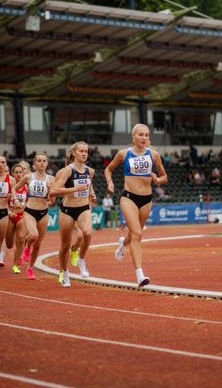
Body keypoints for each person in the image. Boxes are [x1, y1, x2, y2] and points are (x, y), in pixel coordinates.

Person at [104, 123, 167, 287]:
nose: (144, 138)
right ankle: (140, 275)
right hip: (129, 198)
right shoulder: (124, 154)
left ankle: (122, 245)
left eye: (146, 135)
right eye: (140, 134)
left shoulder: (154, 155)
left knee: (133, 235)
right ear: (133, 137)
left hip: (146, 199)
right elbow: (108, 169)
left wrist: (158, 180)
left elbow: (164, 176)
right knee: (138, 233)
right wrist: (109, 183)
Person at [49, 141, 97, 288]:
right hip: (67, 210)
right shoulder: (67, 171)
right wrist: (74, 189)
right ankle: (64, 272)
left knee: (87, 234)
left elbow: (89, 186)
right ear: (74, 153)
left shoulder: (90, 171)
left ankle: (81, 260)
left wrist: (92, 195)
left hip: (83, 208)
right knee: (64, 246)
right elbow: (54, 191)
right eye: (81, 151)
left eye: (86, 151)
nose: (84, 153)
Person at [12, 153, 54, 280]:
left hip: (44, 212)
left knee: (38, 244)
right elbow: (14, 188)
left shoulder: (51, 179)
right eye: (39, 161)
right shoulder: (28, 177)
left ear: (47, 163)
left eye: (44, 161)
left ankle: (30, 268)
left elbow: (52, 201)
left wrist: (50, 192)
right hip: (29, 211)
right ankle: (26, 248)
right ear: (34, 164)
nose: (41, 163)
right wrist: (16, 200)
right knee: (33, 235)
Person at [5, 163, 28, 274]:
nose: (19, 174)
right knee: (9, 245)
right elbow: (2, 203)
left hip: (22, 216)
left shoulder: (27, 186)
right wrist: (9, 212)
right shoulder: (8, 186)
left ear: (24, 173)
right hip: (10, 216)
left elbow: (29, 201)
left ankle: (15, 265)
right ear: (12, 174)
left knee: (21, 240)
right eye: (16, 172)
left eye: (20, 172)